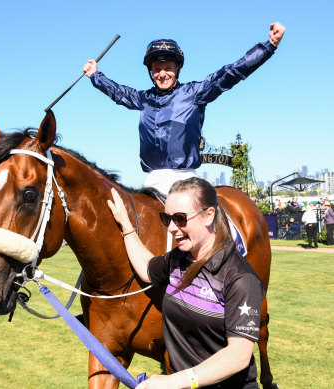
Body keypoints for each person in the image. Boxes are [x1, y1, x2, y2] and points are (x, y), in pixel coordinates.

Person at [83, 23, 286, 194]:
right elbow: (119, 93)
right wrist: (95, 75)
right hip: (151, 180)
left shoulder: (195, 93)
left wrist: (269, 46)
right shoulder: (143, 98)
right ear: (151, 72)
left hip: (185, 181)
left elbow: (232, 72)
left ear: (177, 69)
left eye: (168, 68)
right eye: (157, 69)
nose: (162, 74)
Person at [107, 177, 265, 388]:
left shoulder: (240, 278)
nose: (171, 227)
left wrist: (175, 381)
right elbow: (146, 269)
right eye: (167, 218)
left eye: (180, 218)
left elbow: (238, 356)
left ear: (209, 215)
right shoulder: (177, 260)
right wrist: (127, 226)